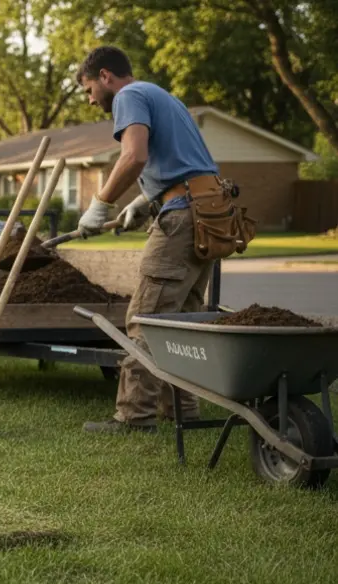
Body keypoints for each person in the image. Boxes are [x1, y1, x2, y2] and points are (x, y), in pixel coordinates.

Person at [74, 45, 252, 433]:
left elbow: (134, 155)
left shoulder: (129, 95)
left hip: (185, 218)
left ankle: (133, 418)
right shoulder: (165, 97)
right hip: (207, 213)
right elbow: (183, 162)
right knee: (180, 323)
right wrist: (144, 200)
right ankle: (182, 412)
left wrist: (101, 203)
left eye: (89, 89)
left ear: (106, 76)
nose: (91, 100)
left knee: (146, 318)